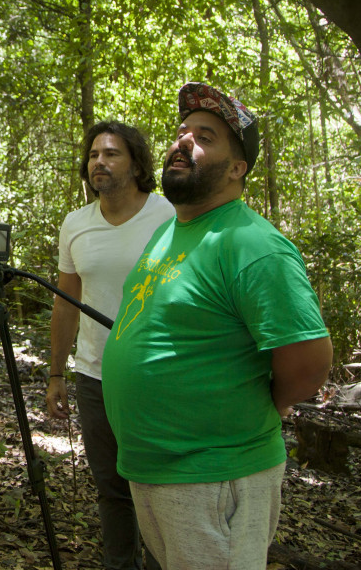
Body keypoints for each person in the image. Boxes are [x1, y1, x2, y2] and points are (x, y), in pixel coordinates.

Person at [102, 83, 333, 570]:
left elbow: (310, 364)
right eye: (182, 131)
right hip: (156, 471)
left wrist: (255, 407)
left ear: (237, 168)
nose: (183, 140)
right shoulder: (172, 229)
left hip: (214, 475)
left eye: (205, 136)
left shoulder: (253, 245)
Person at [45, 121, 172, 570]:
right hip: (94, 376)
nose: (100, 161)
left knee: (158, 488)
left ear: (136, 164)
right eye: (94, 154)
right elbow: (66, 303)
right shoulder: (76, 224)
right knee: (111, 487)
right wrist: (57, 373)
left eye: (112, 153)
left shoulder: (170, 214)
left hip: (158, 376)